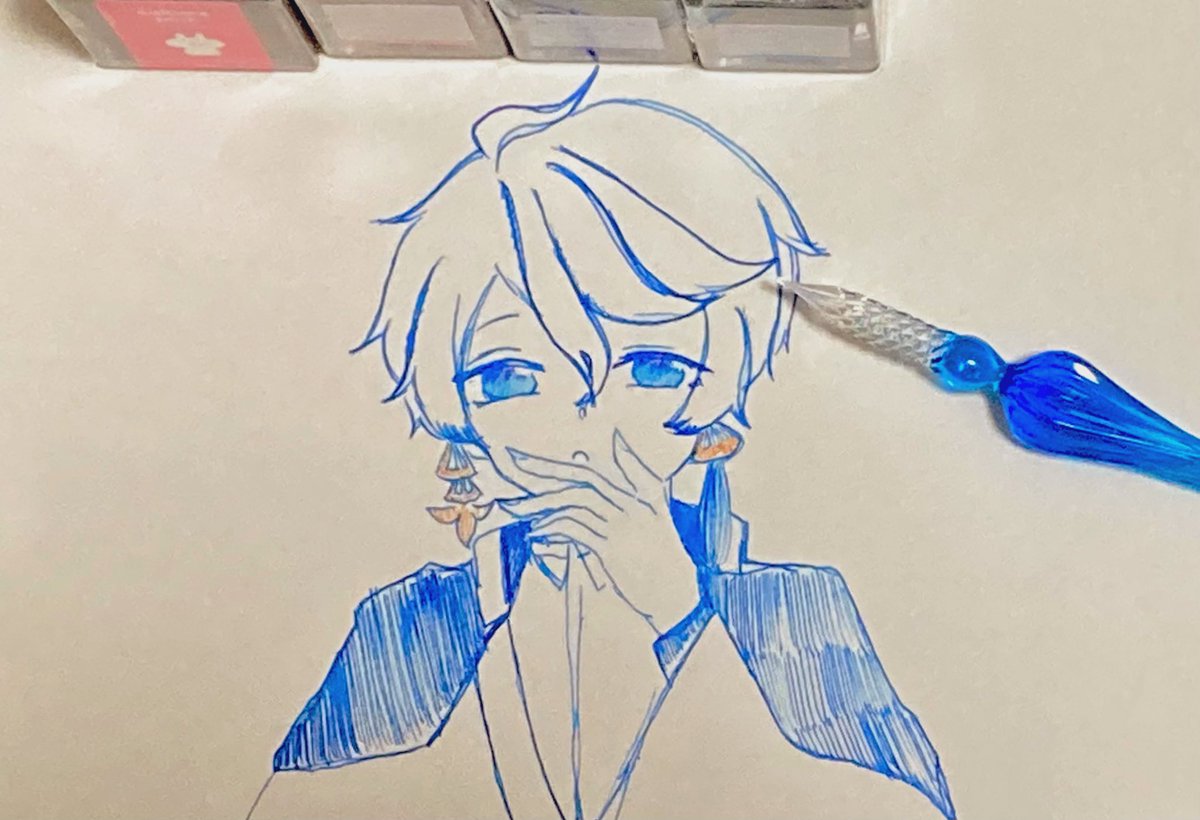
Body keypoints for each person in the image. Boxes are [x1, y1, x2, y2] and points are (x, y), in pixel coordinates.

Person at [264, 70, 955, 820]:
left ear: (718, 393)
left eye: (652, 367)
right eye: (508, 376)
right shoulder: (412, 623)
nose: (580, 422)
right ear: (454, 402)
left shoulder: (791, 611)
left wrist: (681, 609)